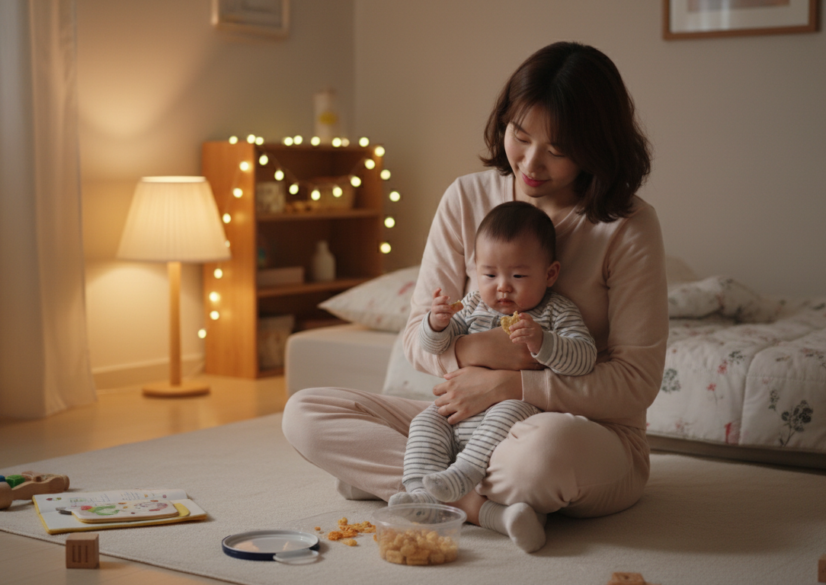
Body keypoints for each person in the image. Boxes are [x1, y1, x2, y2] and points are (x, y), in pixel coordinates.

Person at [282, 41, 668, 554]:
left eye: (557, 149)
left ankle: (398, 482)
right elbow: (417, 341)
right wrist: (475, 354)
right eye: (520, 135)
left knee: (539, 461)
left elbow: (635, 385)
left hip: (580, 433)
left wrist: (512, 386)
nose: (530, 163)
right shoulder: (467, 198)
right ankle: (477, 507)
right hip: (461, 418)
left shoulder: (628, 226)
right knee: (305, 414)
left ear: (597, 147)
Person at [393, 201, 596, 513]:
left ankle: (462, 476)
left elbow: (584, 358)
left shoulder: (556, 310)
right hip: (457, 407)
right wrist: (436, 323)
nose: (502, 287)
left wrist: (543, 342)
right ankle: (420, 489)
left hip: (513, 407)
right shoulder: (473, 304)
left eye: (517, 275)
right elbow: (435, 346)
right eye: (489, 274)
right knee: (426, 420)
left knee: (509, 411)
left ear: (550, 273)